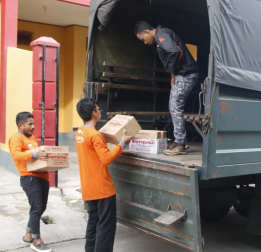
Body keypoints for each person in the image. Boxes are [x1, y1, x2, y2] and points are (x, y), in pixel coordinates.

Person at [75, 98, 134, 252]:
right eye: (98, 108)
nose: (100, 110)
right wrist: (122, 143)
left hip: (88, 187)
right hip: (102, 188)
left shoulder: (80, 132)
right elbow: (106, 158)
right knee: (106, 227)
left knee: (93, 223)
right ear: (93, 113)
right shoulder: (95, 135)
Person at [134, 21, 199, 156]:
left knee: (175, 106)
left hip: (186, 74)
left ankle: (180, 144)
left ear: (146, 32)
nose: (145, 43)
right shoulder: (162, 35)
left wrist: (172, 71)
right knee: (174, 106)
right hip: (184, 74)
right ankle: (180, 141)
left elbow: (173, 51)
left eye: (142, 39)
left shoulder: (161, 34)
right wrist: (172, 73)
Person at [9, 112, 52, 252]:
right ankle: (36, 240)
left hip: (41, 177)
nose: (33, 127)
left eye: (33, 124)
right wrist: (34, 154)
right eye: (30, 124)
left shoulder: (32, 138)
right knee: (36, 208)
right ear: (20, 125)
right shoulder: (15, 138)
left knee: (40, 208)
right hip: (29, 178)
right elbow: (16, 154)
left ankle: (27, 236)